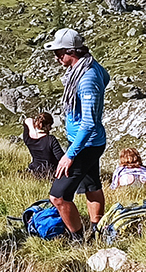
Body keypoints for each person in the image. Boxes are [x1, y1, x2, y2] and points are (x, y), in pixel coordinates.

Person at [43, 27, 110, 243]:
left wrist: (70, 154)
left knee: (59, 196)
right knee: (92, 186)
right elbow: (106, 77)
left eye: (59, 53)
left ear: (71, 52)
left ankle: (78, 240)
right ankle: (97, 230)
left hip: (85, 145)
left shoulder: (86, 79)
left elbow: (89, 123)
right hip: (91, 142)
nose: (56, 57)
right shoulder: (90, 68)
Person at [22, 111, 65, 178]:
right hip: (49, 173)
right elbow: (61, 158)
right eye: (50, 125)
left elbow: (27, 120)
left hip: (34, 171)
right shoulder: (50, 139)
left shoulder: (28, 138)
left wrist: (33, 132)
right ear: (47, 125)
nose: (50, 128)